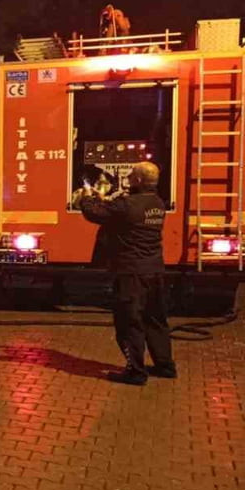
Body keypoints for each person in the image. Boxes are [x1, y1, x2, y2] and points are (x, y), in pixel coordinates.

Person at [76, 162, 175, 385]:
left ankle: (135, 372)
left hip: (131, 273)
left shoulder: (128, 204)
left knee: (129, 323)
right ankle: (165, 366)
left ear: (139, 180)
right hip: (155, 271)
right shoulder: (156, 203)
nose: (128, 177)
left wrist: (88, 195)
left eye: (131, 175)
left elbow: (93, 213)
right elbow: (119, 213)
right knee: (156, 319)